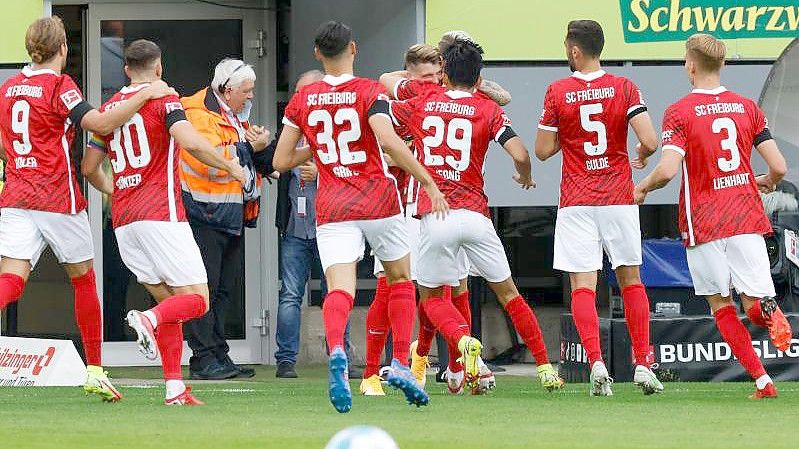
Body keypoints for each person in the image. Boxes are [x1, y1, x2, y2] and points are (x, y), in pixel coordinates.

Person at [273, 20, 457, 413]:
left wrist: (319, 150)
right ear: (353, 49)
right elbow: (388, 139)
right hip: (378, 199)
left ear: (317, 54)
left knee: (340, 289)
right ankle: (402, 365)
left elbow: (280, 160)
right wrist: (428, 182)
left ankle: (337, 348)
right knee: (401, 279)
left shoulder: (304, 99)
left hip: (334, 205)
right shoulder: (370, 91)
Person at [0, 16, 175, 402]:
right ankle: (95, 370)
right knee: (83, 279)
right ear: (63, 48)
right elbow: (98, 122)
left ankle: (95, 370)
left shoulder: (10, 87)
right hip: (56, 196)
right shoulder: (61, 86)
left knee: (12, 279)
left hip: (15, 194)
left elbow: (3, 141)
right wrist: (145, 94)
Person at [381, 39, 562, 395]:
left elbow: (386, 104)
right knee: (510, 295)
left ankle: (463, 343)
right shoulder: (488, 109)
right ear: (479, 78)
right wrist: (525, 175)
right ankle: (545, 367)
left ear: (444, 72)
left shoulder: (422, 102)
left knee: (432, 300)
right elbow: (520, 152)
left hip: (436, 216)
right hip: (477, 216)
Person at [82, 39, 246, 405]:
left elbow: (89, 168)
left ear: (126, 70)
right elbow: (190, 141)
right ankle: (148, 320)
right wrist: (230, 165)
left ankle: (174, 387)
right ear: (158, 68)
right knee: (197, 301)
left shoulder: (111, 108)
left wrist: (117, 190)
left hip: (125, 220)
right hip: (161, 214)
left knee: (170, 301)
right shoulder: (164, 98)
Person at [634, 33, 793, 399]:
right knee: (754, 303)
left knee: (721, 304)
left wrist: (641, 188)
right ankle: (770, 311)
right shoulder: (746, 108)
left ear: (690, 64)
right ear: (722, 65)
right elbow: (780, 166)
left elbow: (669, 170)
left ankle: (763, 381)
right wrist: (767, 181)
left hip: (704, 219)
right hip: (745, 214)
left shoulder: (680, 111)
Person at [534, 20, 662, 396]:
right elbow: (651, 141)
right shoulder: (624, 86)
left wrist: (567, 136)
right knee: (631, 280)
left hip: (577, 200)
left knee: (583, 285)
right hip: (618, 197)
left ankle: (596, 363)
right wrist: (639, 152)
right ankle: (642, 363)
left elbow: (542, 151)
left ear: (574, 50)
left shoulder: (558, 90)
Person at [180, 58, 270, 380]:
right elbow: (211, 160)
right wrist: (250, 145)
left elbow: (236, 156)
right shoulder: (197, 114)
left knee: (222, 292)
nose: (250, 98)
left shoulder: (229, 115)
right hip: (203, 214)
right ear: (227, 90)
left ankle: (218, 354)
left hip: (227, 213)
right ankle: (203, 359)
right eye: (247, 92)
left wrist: (259, 154)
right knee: (204, 290)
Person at [273, 70, 361, 380]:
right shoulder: (292, 126)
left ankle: (340, 355)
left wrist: (320, 176)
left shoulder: (338, 127)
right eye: (297, 91)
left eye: (304, 91)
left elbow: (354, 171)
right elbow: (276, 162)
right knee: (290, 295)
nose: (300, 97)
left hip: (332, 225)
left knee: (338, 292)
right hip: (296, 230)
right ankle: (285, 360)